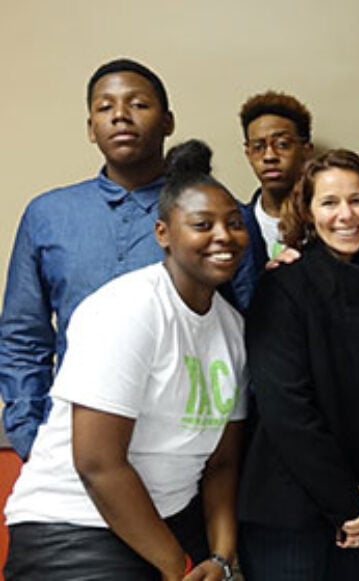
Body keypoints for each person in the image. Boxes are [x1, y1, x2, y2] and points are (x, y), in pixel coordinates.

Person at [4, 140, 247, 580]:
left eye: (234, 223)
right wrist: (179, 567)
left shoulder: (231, 328)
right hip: (74, 531)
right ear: (163, 235)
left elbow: (221, 463)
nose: (223, 236)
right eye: (202, 224)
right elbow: (98, 463)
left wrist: (223, 559)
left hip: (169, 527)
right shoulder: (128, 310)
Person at [0, 58, 257, 460]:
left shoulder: (220, 221)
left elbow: (253, 332)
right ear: (90, 128)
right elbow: (23, 335)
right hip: (72, 444)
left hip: (187, 450)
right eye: (104, 108)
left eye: (138, 104)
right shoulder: (48, 215)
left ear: (169, 121)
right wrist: (30, 435)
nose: (120, 116)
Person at [237, 149, 359, 579]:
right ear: (307, 212)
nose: (346, 214)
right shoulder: (282, 286)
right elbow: (288, 412)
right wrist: (349, 504)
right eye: (329, 202)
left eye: (357, 200)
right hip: (289, 513)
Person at [238, 91, 315, 263]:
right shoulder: (238, 225)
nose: (269, 156)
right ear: (248, 154)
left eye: (282, 145)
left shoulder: (326, 219)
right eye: (258, 147)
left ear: (306, 150)